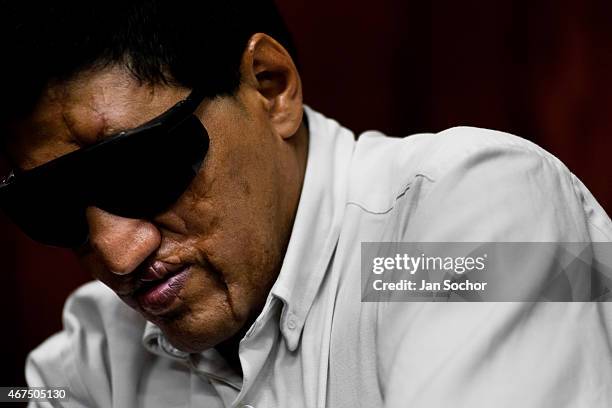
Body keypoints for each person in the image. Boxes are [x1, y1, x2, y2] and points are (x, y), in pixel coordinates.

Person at [1, 1, 611, 407]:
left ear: (271, 86)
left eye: (138, 168)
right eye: (51, 204)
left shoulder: (452, 226)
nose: (115, 251)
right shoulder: (103, 351)